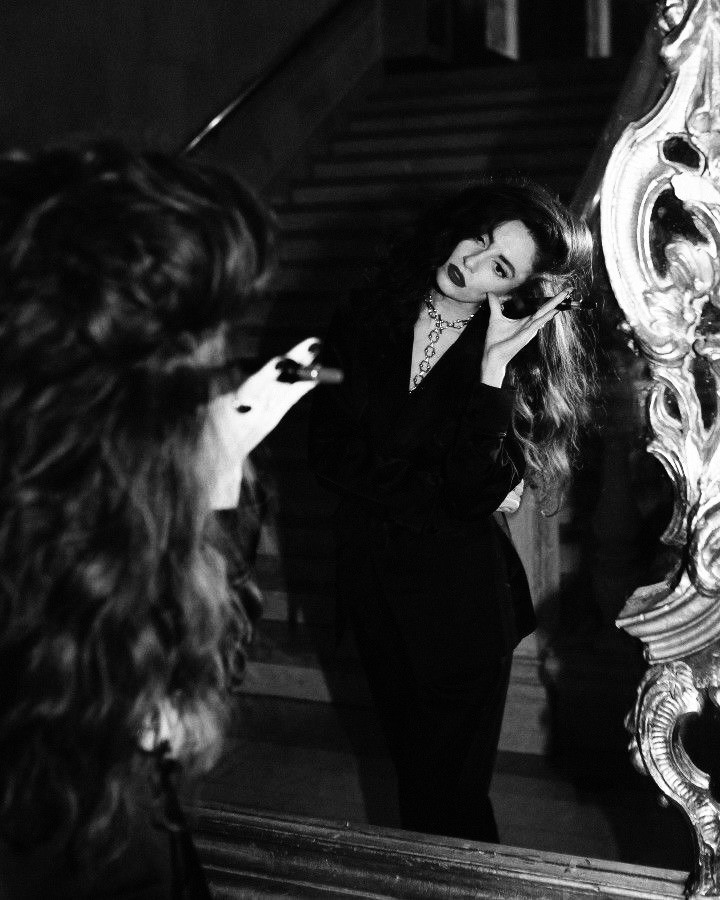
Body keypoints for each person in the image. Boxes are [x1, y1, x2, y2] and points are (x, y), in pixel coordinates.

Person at [0, 141, 321, 898]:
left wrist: (216, 475)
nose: (216, 369)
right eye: (201, 350)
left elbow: (194, 668)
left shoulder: (86, 504)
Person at [308, 176, 597, 843]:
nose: (472, 261)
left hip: (463, 615)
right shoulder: (366, 315)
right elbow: (327, 454)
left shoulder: (513, 368)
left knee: (451, 804)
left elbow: (466, 492)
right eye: (482, 237)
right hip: (375, 592)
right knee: (417, 789)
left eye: (500, 267)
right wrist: (435, 494)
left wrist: (491, 371)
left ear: (514, 292)